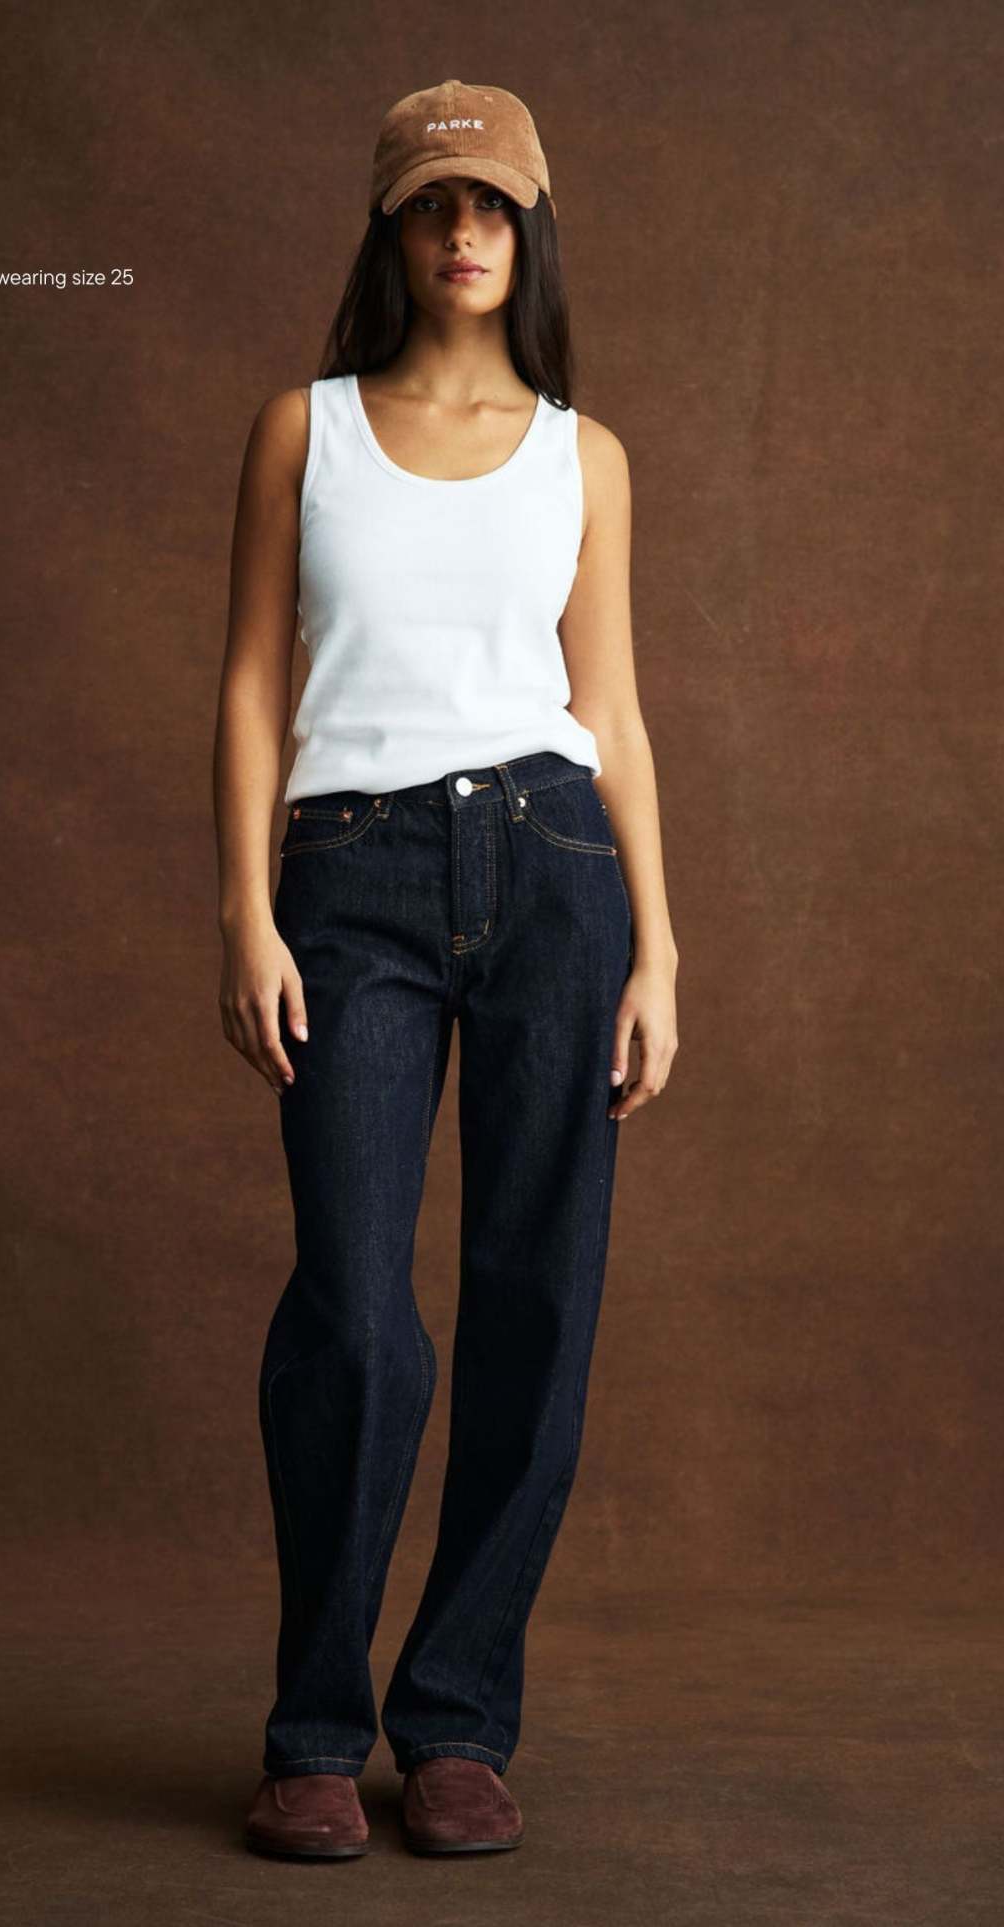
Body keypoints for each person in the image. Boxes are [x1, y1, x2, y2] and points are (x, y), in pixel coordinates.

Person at [213, 78, 679, 1859]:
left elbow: (611, 705)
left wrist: (660, 947)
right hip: (352, 875)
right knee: (353, 1310)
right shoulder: (305, 430)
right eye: (431, 205)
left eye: (489, 206)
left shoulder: (584, 455)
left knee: (536, 1304)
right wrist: (244, 911)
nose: (461, 232)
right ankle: (314, 1732)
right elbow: (253, 682)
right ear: (392, 230)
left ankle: (459, 1720)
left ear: (528, 228)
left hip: (557, 871)